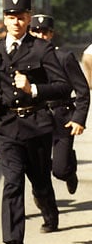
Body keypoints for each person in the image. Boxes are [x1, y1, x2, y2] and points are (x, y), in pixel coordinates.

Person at [0, 0, 71, 244]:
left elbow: (63, 86)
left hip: (37, 126)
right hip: (6, 127)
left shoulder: (42, 49)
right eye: (10, 17)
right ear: (4, 19)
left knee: (40, 183)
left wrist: (34, 88)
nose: (16, 22)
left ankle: (50, 214)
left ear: (29, 18)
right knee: (12, 181)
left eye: (21, 17)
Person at [29, 14, 89, 195]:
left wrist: (79, 118)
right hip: (36, 117)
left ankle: (69, 170)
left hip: (61, 115)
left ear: (51, 34)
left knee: (60, 170)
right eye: (36, 31)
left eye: (44, 32)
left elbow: (82, 90)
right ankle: (43, 201)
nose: (40, 35)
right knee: (38, 168)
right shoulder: (25, 58)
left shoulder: (64, 57)